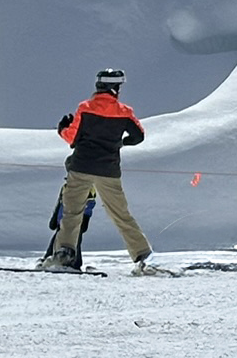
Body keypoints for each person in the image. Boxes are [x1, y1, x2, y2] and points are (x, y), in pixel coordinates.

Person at [43, 69, 160, 274]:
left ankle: (64, 253)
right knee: (120, 214)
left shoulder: (85, 108)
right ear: (116, 88)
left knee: (72, 213)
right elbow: (138, 136)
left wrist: (62, 129)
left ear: (98, 86)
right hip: (108, 170)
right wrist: (120, 142)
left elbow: (72, 138)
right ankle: (143, 255)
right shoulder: (124, 112)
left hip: (81, 167)